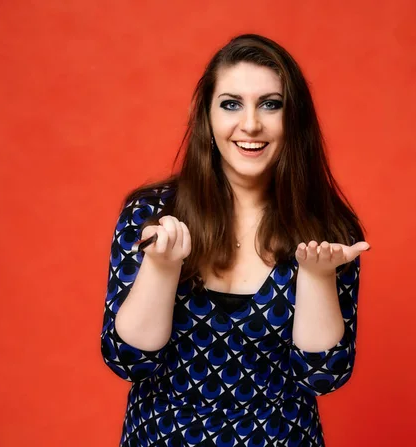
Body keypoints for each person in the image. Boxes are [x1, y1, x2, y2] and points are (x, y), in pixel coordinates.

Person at [101, 33, 369, 447]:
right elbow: (128, 360)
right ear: (207, 118)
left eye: (270, 104)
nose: (250, 124)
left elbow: (324, 374)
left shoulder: (329, 229)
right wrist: (162, 268)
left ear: (293, 120)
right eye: (231, 104)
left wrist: (317, 277)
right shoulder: (150, 214)